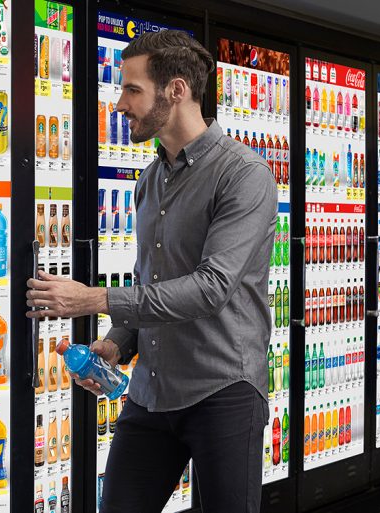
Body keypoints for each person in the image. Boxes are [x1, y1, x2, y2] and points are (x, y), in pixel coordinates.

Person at [26, 30, 277, 513]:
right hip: (152, 391)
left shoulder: (243, 175)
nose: (120, 103)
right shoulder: (150, 179)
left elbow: (211, 289)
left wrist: (95, 300)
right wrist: (118, 342)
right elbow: (151, 284)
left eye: (132, 89)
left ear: (176, 90)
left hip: (222, 390)